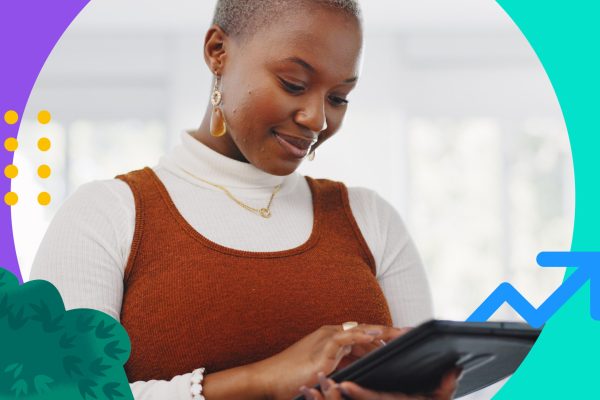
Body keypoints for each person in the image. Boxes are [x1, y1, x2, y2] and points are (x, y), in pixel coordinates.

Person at [30, 0, 460, 399]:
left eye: (338, 98)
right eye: (294, 84)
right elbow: (58, 392)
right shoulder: (105, 217)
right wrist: (263, 379)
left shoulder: (371, 220)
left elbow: (423, 386)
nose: (317, 118)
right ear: (218, 51)